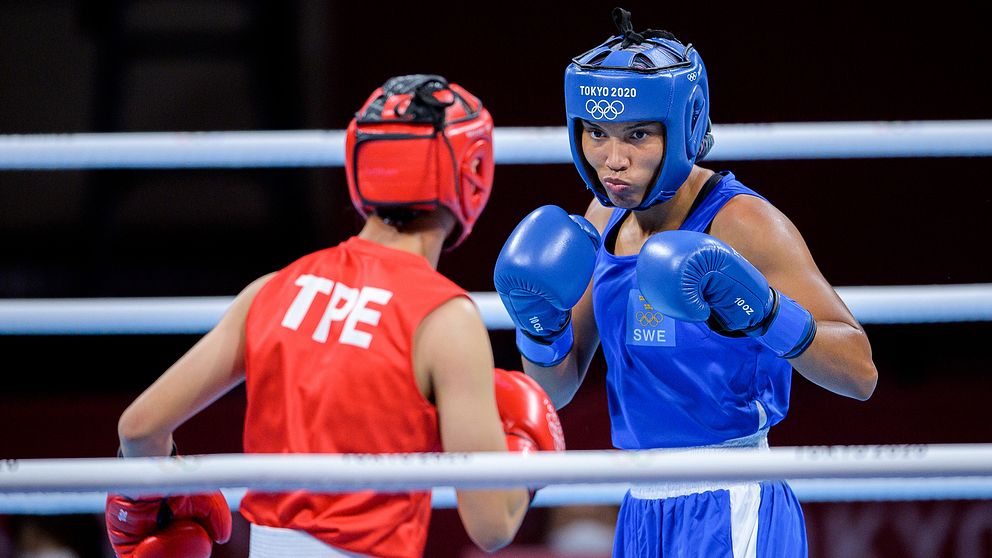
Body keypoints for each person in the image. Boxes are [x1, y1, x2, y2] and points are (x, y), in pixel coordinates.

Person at [105, 74, 565, 558]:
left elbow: (139, 428)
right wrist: (528, 456)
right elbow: (492, 526)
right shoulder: (445, 320)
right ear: (473, 172)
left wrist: (156, 497)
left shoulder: (273, 289)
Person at [493, 8, 877, 557]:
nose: (613, 160)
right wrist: (539, 325)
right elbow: (555, 389)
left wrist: (766, 312)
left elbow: (860, 372)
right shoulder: (603, 218)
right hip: (641, 505)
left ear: (684, 128)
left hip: (732, 497)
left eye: (638, 134)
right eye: (596, 133)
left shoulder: (742, 222)